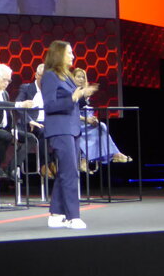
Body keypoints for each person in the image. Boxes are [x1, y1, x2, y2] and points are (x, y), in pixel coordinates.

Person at [41, 41, 97, 230]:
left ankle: (56, 214)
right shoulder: (50, 76)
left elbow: (74, 103)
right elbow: (49, 106)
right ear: (59, 54)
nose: (73, 56)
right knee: (70, 172)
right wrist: (72, 97)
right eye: (69, 53)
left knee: (67, 171)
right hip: (60, 129)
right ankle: (73, 216)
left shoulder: (68, 76)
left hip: (72, 128)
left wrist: (83, 95)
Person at [72, 68, 131, 172]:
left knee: (101, 126)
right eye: (78, 77)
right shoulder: (72, 92)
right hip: (75, 122)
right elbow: (71, 112)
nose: (81, 79)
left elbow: (87, 111)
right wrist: (86, 119)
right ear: (73, 78)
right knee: (95, 129)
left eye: (83, 77)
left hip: (86, 121)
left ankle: (111, 155)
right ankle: (89, 159)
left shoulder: (85, 93)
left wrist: (93, 119)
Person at [16, 63, 51, 175]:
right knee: (43, 131)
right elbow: (18, 105)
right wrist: (29, 120)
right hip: (31, 123)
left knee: (61, 134)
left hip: (48, 122)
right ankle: (44, 165)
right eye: (42, 76)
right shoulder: (26, 88)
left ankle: (53, 163)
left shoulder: (50, 90)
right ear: (36, 75)